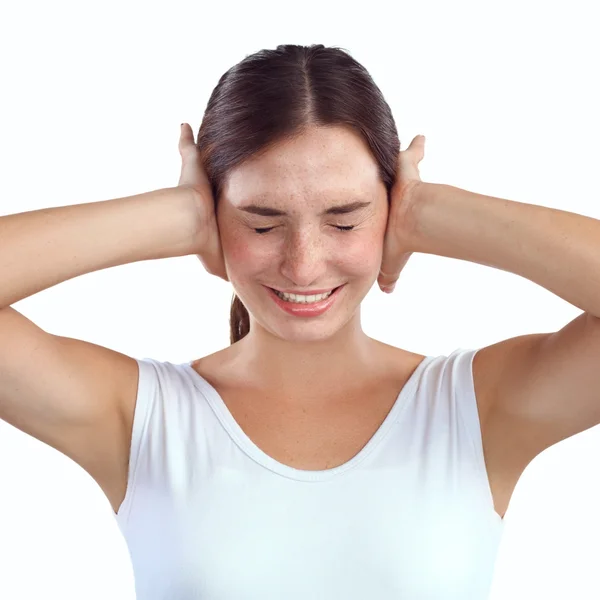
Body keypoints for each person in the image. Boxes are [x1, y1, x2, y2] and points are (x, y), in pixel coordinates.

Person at [2, 44, 600, 600]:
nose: (304, 265)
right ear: (216, 213)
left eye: (345, 221)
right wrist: (176, 215)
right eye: (262, 223)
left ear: (389, 211)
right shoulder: (137, 417)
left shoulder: (479, 407)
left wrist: (433, 211)